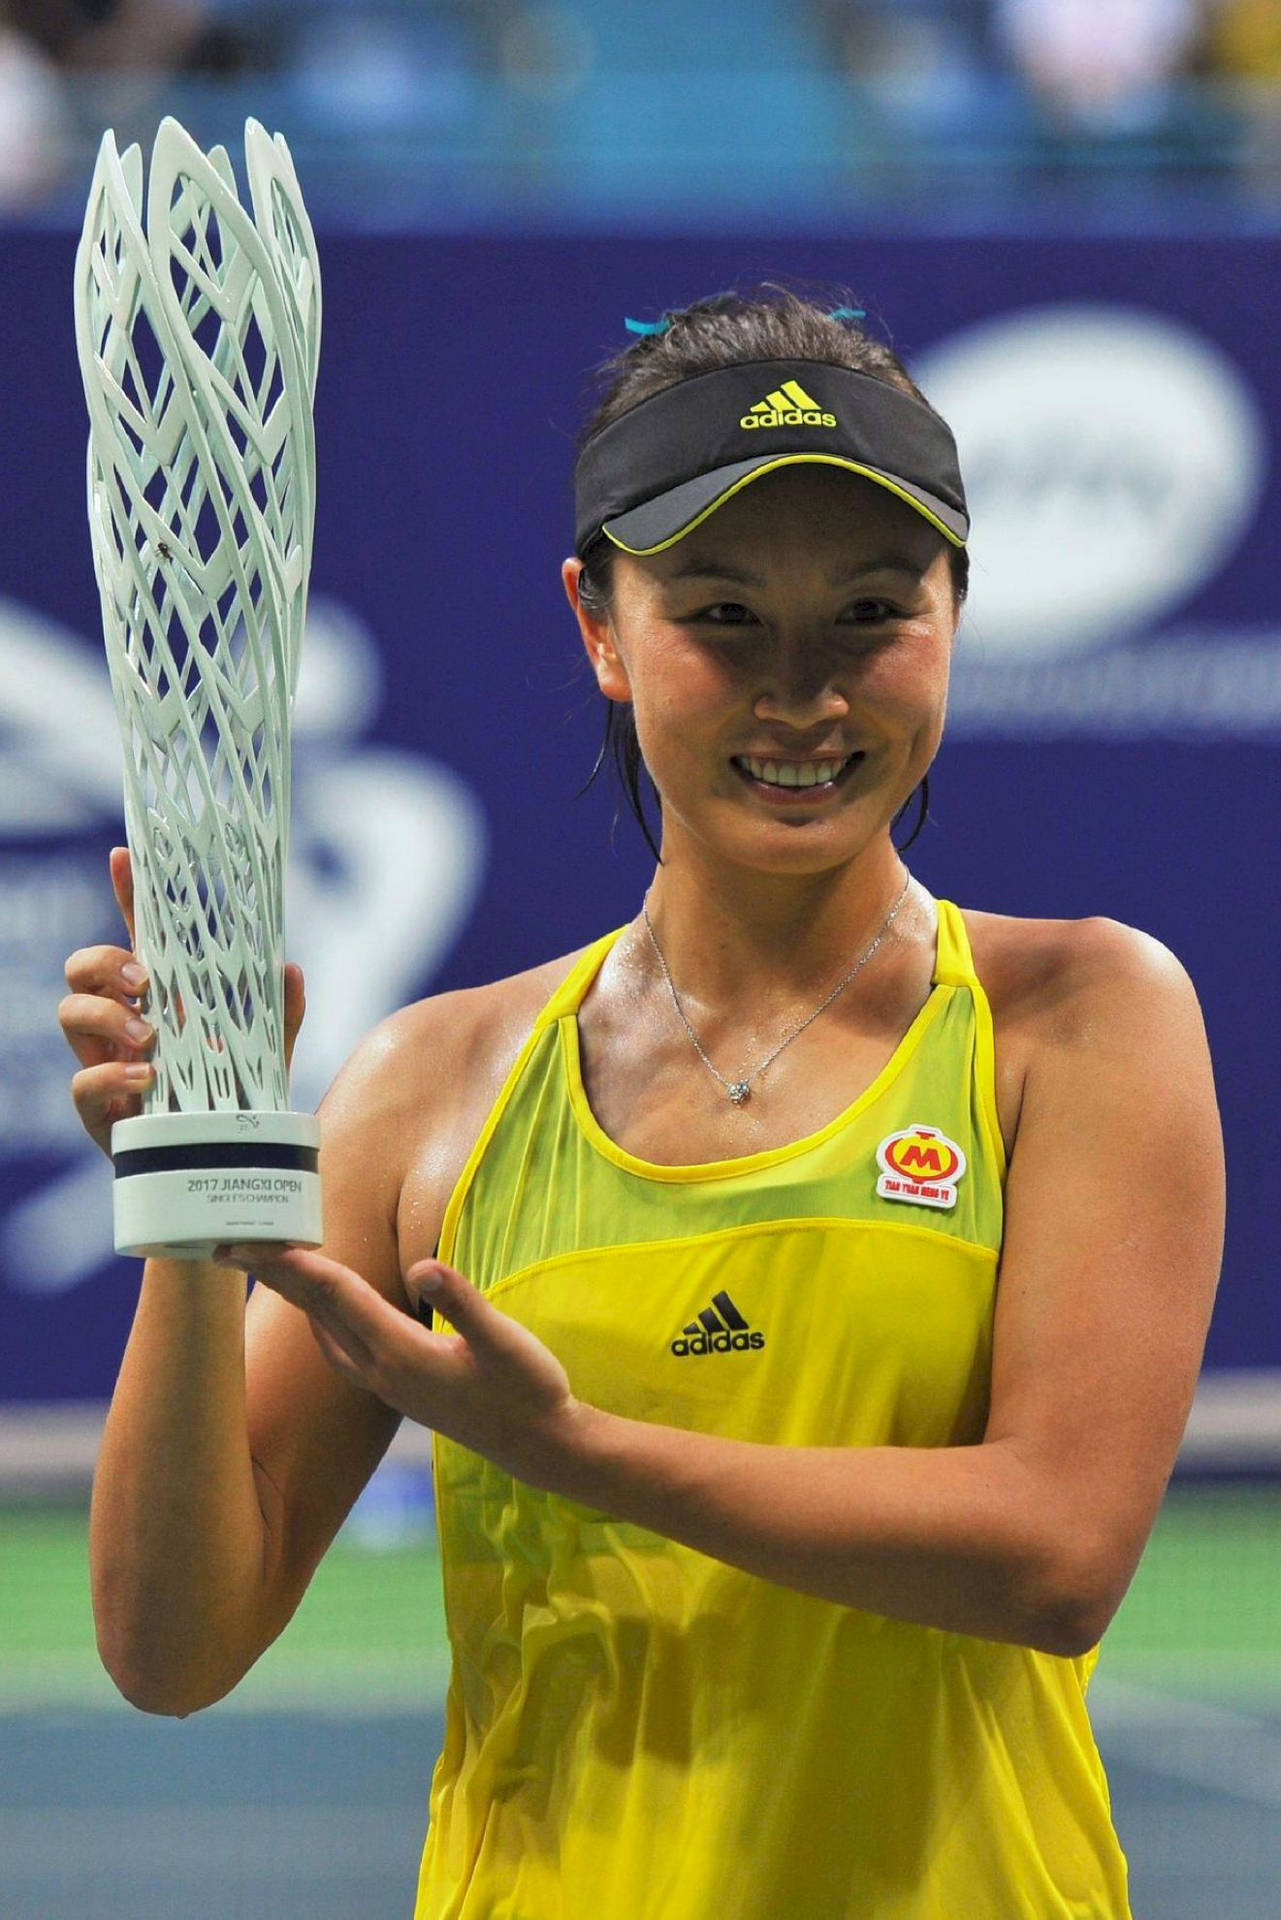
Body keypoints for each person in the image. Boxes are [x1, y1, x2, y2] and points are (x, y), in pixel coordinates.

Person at [60, 288, 1224, 1919]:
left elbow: (1053, 1551)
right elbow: (171, 1648)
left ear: (954, 612)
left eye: (870, 614)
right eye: (723, 618)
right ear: (599, 624)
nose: (802, 695)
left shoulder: (1081, 1019)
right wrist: (188, 1205)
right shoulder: (432, 1085)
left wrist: (575, 1450)